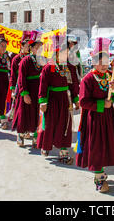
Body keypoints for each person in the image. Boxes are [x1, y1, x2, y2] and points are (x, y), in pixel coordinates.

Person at [75, 37, 114, 193]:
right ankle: (99, 179)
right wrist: (101, 105)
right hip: (94, 120)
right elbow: (84, 102)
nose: (104, 64)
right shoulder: (87, 79)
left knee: (107, 145)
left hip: (109, 119)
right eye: (100, 61)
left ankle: (101, 170)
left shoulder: (111, 77)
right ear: (93, 62)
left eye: (106, 61)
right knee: (97, 147)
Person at [37, 35, 80, 163]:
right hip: (52, 100)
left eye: (67, 52)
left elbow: (73, 84)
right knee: (50, 124)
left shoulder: (70, 67)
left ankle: (63, 151)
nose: (66, 55)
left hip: (65, 100)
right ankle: (46, 146)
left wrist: (76, 98)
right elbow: (43, 85)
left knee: (65, 125)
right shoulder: (48, 68)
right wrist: (42, 101)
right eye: (63, 52)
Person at [12, 30, 44, 147]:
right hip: (28, 91)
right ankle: (20, 135)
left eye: (41, 47)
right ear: (31, 48)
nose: (39, 49)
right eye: (37, 47)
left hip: (38, 92)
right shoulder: (25, 61)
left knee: (37, 115)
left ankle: (36, 137)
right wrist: (24, 94)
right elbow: (21, 79)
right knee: (24, 114)